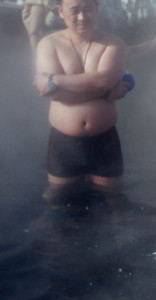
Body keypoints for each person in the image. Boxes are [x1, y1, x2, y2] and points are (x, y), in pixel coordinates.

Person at [34, 0, 132, 203]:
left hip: (105, 140)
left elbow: (104, 80)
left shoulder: (113, 43)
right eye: (75, 10)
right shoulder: (48, 44)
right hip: (65, 143)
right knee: (58, 203)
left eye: (87, 8)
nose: (82, 16)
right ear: (60, 11)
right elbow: (53, 95)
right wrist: (104, 92)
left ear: (97, 9)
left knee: (112, 202)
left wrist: (55, 80)